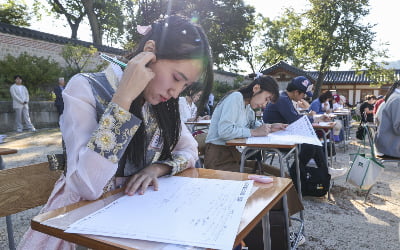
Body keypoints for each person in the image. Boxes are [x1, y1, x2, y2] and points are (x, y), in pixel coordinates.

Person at [18, 15, 213, 249]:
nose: (175, 92)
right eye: (176, 78)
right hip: (80, 223)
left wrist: (158, 168)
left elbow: (189, 149)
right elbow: (88, 186)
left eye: (185, 86)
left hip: (137, 213)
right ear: (149, 52)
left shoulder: (161, 105)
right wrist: (123, 99)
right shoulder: (85, 87)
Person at [263, 76, 346, 181]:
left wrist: (317, 118)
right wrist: (315, 118)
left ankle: (323, 170)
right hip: (274, 138)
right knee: (310, 144)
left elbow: (296, 118)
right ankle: (296, 174)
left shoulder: (284, 98)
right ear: (296, 92)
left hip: (279, 135)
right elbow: (296, 119)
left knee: (312, 141)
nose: (304, 97)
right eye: (303, 94)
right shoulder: (282, 99)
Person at [204, 75, 287, 172]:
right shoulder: (236, 97)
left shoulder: (247, 106)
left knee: (279, 174)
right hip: (218, 159)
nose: (264, 105)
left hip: (234, 156)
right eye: (266, 99)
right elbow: (225, 131)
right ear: (256, 88)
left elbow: (253, 124)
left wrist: (270, 127)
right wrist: (254, 132)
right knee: (268, 179)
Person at [375, 82, 400, 157]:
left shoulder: (394, 96)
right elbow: (398, 128)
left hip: (387, 143)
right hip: (391, 146)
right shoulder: (398, 99)